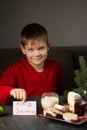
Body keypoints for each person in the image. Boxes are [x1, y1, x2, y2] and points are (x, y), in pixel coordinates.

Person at [0, 23, 67, 104]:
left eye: (41, 48)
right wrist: (11, 91)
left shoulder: (55, 67)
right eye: (31, 50)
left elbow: (63, 93)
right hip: (26, 114)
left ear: (48, 46)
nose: (37, 54)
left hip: (50, 113)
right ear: (23, 49)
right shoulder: (14, 70)